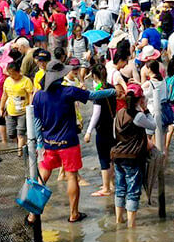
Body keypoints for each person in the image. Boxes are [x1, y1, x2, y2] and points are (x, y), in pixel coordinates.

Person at [32, 61, 113, 223]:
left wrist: (40, 144)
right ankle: (74, 213)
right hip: (68, 143)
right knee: (71, 177)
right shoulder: (68, 91)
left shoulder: (39, 96)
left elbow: (36, 123)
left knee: (42, 176)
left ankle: (32, 214)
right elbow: (92, 95)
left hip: (48, 143)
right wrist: (112, 91)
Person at [111, 83, 155, 228]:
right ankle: (132, 225)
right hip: (132, 157)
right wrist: (147, 110)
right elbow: (153, 126)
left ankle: (119, 219)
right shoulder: (138, 116)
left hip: (117, 155)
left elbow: (114, 134)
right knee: (133, 190)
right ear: (140, 99)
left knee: (120, 187)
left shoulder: (119, 113)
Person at [83, 63, 116, 197]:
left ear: (95, 76)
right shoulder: (111, 88)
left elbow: (96, 113)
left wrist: (88, 131)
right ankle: (112, 184)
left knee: (103, 158)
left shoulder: (98, 92)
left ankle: (106, 188)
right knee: (112, 156)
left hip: (102, 128)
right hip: (113, 126)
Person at [0, 60, 34, 156]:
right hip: (11, 111)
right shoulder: (7, 81)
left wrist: (30, 108)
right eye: (9, 74)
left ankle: (20, 154)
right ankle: (23, 145)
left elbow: (30, 94)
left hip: (23, 112)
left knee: (21, 133)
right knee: (11, 134)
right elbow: (4, 95)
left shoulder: (26, 81)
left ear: (19, 72)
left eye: (13, 74)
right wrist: (1, 107)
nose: (11, 76)